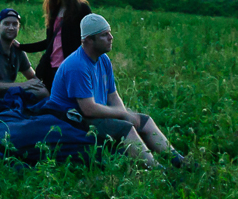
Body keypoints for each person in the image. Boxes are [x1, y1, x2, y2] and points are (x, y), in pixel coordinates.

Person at [45, 13, 187, 169]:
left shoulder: (103, 59)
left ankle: (179, 160)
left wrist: (124, 113)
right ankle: (157, 170)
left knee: (144, 120)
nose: (111, 37)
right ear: (89, 40)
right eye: (104, 35)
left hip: (94, 113)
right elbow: (88, 109)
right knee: (125, 128)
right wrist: (123, 116)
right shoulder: (77, 66)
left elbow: (112, 95)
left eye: (109, 33)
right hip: (73, 119)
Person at [19, 0, 92, 91]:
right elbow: (50, 43)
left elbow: (91, 39)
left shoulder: (82, 9)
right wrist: (21, 47)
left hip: (71, 69)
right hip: (51, 70)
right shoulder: (54, 11)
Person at [0, 8, 48, 102]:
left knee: (43, 92)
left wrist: (43, 83)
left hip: (8, 97)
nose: (11, 28)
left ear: (19, 27)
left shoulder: (17, 50)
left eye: (15, 24)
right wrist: (22, 85)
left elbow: (32, 76)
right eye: (6, 24)